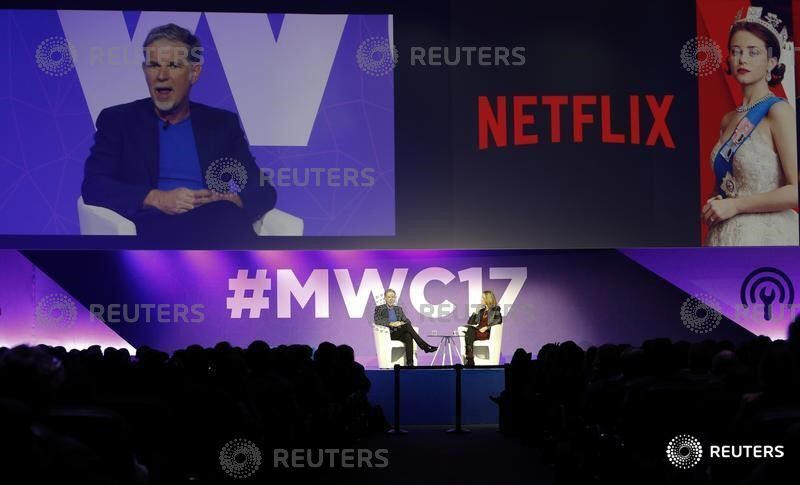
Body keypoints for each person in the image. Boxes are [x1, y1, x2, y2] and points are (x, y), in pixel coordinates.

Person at [81, 23, 276, 244]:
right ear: (145, 71)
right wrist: (156, 198)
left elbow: (262, 189)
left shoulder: (221, 124)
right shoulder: (119, 120)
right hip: (152, 226)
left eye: (173, 65)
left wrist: (234, 200)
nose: (162, 75)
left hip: (214, 221)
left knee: (224, 214)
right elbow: (94, 185)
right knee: (226, 218)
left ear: (194, 73)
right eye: (154, 65)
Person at [704, 6, 798, 246]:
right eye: (736, 51)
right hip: (725, 236)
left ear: (771, 62)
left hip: (767, 237)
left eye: (753, 52)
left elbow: (796, 191)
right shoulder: (728, 120)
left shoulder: (778, 111)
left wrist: (736, 205)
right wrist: (715, 203)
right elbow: (727, 186)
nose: (742, 59)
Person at [373, 289, 437, 366]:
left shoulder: (398, 309)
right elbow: (377, 321)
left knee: (408, 335)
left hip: (399, 332)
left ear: (395, 298)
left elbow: (407, 321)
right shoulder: (379, 308)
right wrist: (391, 323)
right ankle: (425, 347)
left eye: (393, 297)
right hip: (388, 334)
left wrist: (401, 323)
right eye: (389, 297)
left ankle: (410, 363)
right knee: (407, 327)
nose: (391, 299)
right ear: (385, 298)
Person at [463, 290, 503, 367]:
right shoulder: (481, 311)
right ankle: (470, 358)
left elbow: (498, 320)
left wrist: (487, 327)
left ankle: (470, 359)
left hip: (486, 332)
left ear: (488, 299)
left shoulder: (496, 309)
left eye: (482, 298)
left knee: (469, 334)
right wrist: (475, 312)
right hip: (478, 331)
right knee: (470, 330)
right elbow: (470, 322)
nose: (481, 300)